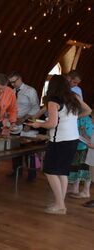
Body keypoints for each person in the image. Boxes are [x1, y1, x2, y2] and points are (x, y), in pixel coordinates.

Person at [28, 75, 91, 215]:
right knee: (62, 171)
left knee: (50, 171)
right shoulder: (73, 97)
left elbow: (52, 123)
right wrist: (73, 118)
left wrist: (38, 124)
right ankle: (60, 202)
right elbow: (88, 110)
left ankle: (60, 205)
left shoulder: (53, 100)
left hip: (59, 140)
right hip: (73, 139)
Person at [7, 71, 40, 181]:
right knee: (15, 150)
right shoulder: (11, 91)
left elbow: (36, 108)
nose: (13, 84)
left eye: (14, 81)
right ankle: (16, 170)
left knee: (29, 151)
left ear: (20, 78)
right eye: (11, 82)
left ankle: (32, 174)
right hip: (14, 123)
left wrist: (27, 121)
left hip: (26, 122)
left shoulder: (30, 91)